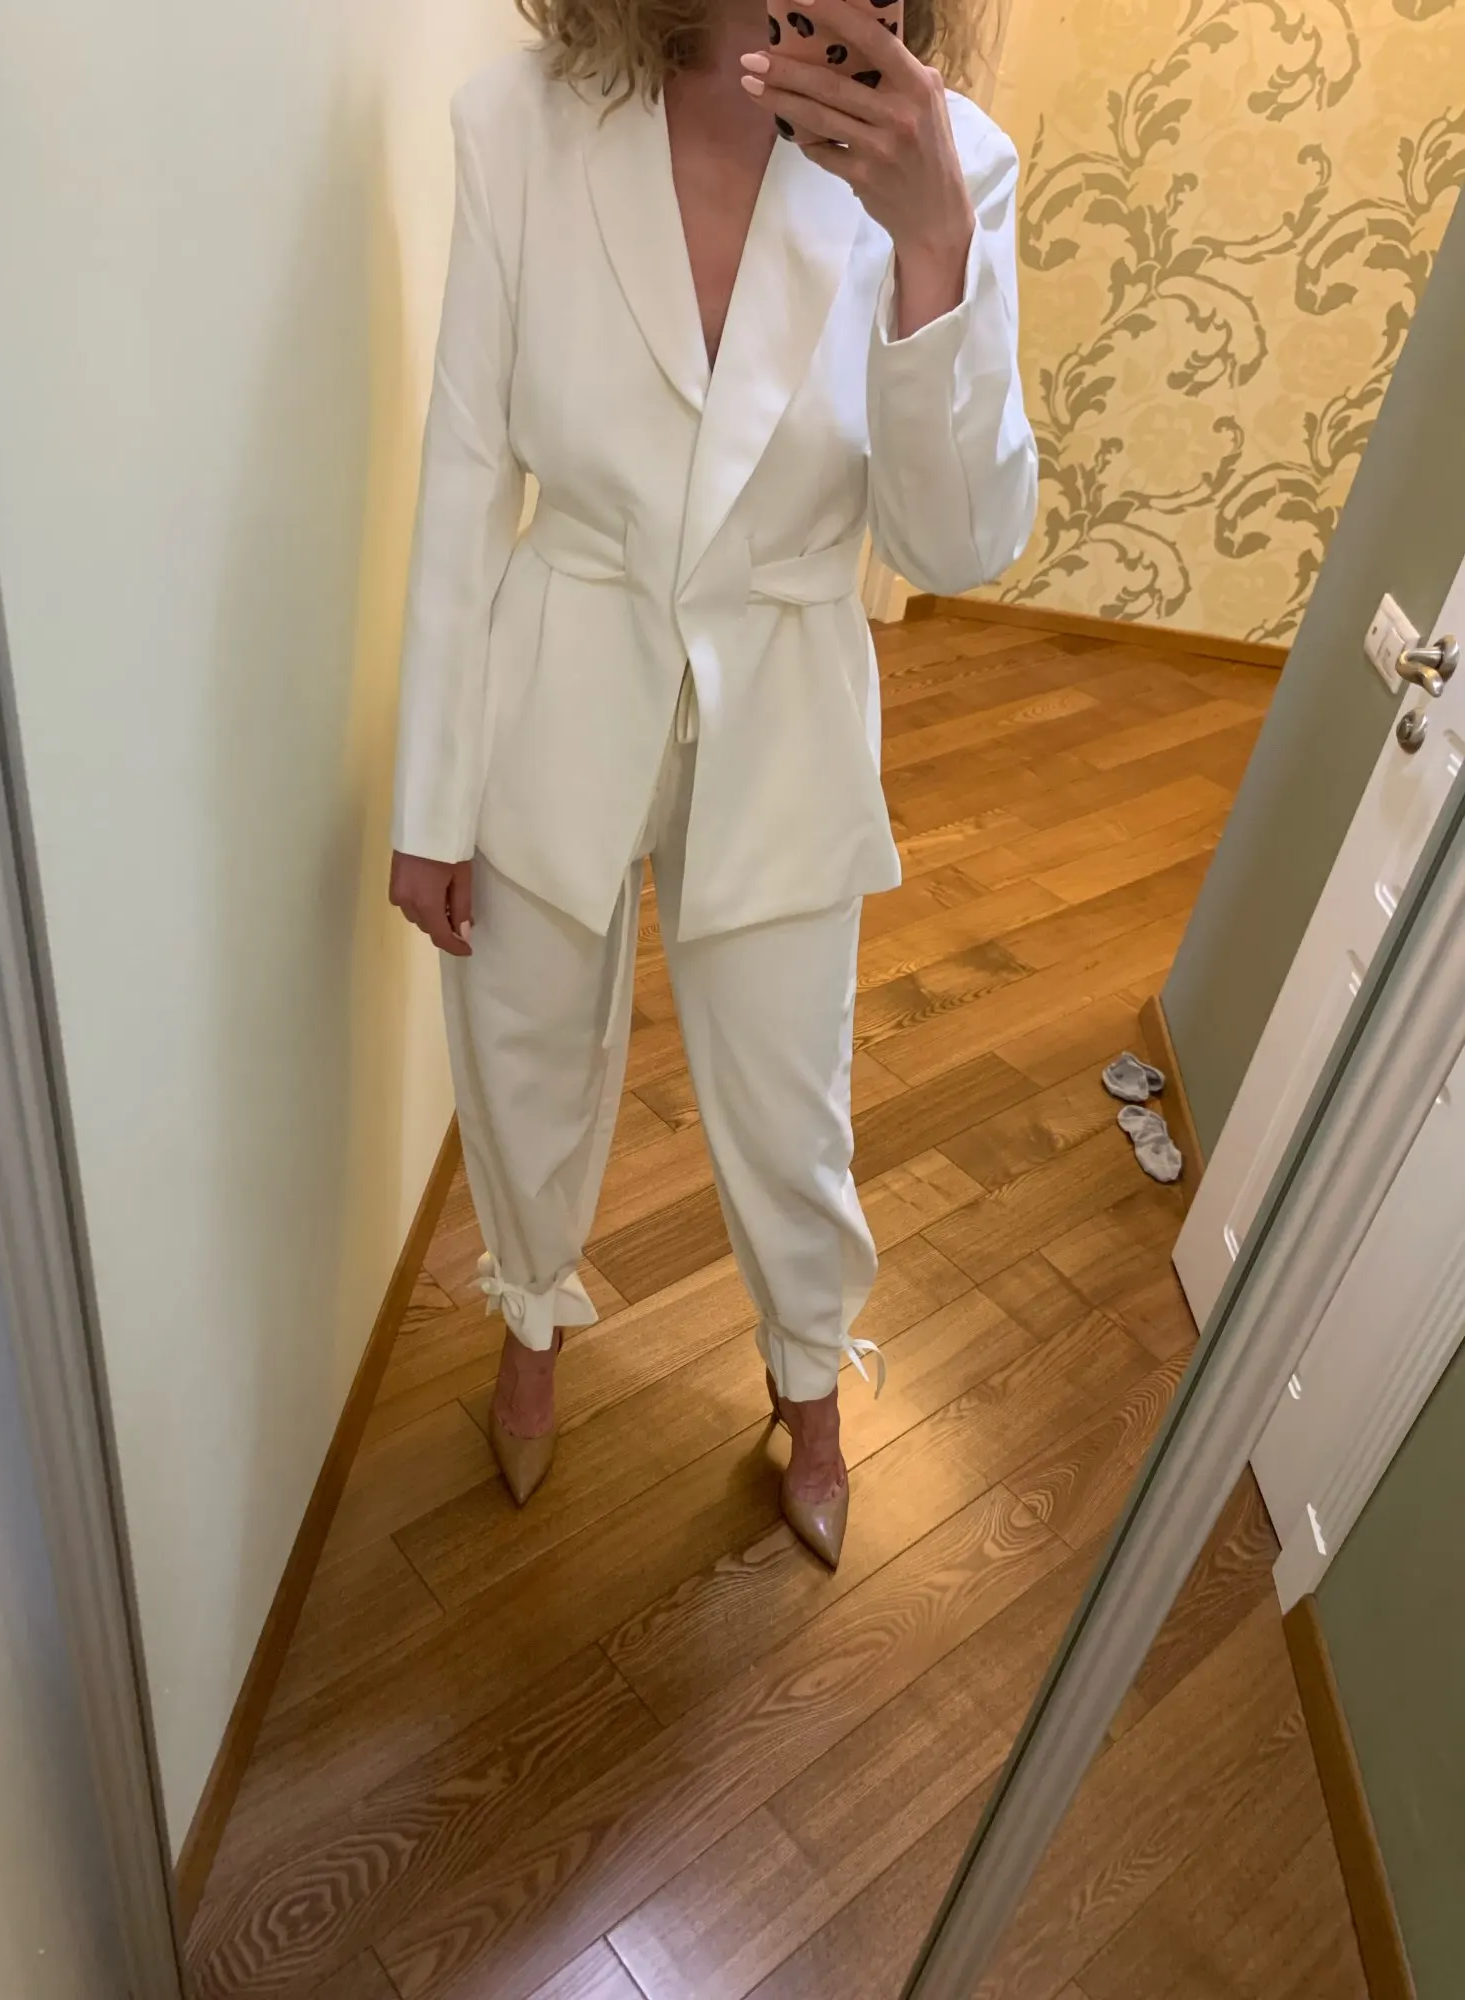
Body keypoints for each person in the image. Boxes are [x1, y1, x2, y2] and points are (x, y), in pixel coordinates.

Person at [388, 0, 1036, 1566]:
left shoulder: (952, 165)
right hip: (562, 653)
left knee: (788, 1082)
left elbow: (956, 546)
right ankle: (529, 1320)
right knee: (523, 1038)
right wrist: (430, 798)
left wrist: (932, 247)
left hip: (788, 681)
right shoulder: (518, 124)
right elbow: (468, 475)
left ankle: (809, 1378)